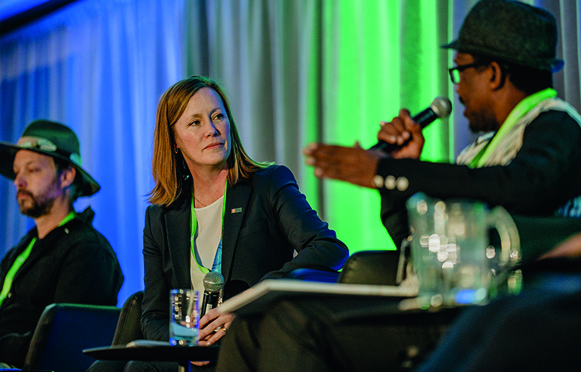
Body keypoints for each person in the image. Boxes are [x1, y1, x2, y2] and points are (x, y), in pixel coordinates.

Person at [215, 0, 581, 372]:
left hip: (510, 313)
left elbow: (521, 186)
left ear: (494, 73)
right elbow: (415, 248)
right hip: (449, 306)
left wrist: (387, 170)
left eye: (460, 72)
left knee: (294, 322)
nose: (457, 90)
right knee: (250, 327)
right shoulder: (480, 152)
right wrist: (399, 173)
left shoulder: (557, 125)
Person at [89, 76, 349, 372]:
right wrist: (188, 342)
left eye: (217, 117)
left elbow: (329, 248)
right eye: (195, 122)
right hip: (193, 354)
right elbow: (154, 316)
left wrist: (252, 301)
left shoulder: (267, 184)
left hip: (251, 340)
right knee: (103, 369)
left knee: (139, 369)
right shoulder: (161, 216)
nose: (211, 130)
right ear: (174, 141)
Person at [0, 120, 124, 369]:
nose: (18, 181)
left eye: (32, 170)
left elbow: (64, 344)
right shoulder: (21, 248)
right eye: (16, 171)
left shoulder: (88, 251)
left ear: (66, 175)